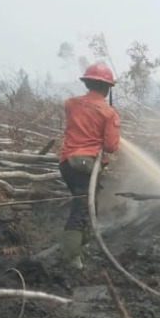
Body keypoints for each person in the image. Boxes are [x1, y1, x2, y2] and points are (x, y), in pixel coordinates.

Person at [58, 63, 120, 269]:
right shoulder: (108, 113)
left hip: (67, 163)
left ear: (87, 83)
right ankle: (71, 257)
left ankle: (80, 245)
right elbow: (111, 147)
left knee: (87, 204)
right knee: (82, 208)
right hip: (86, 167)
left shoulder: (71, 103)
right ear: (107, 88)